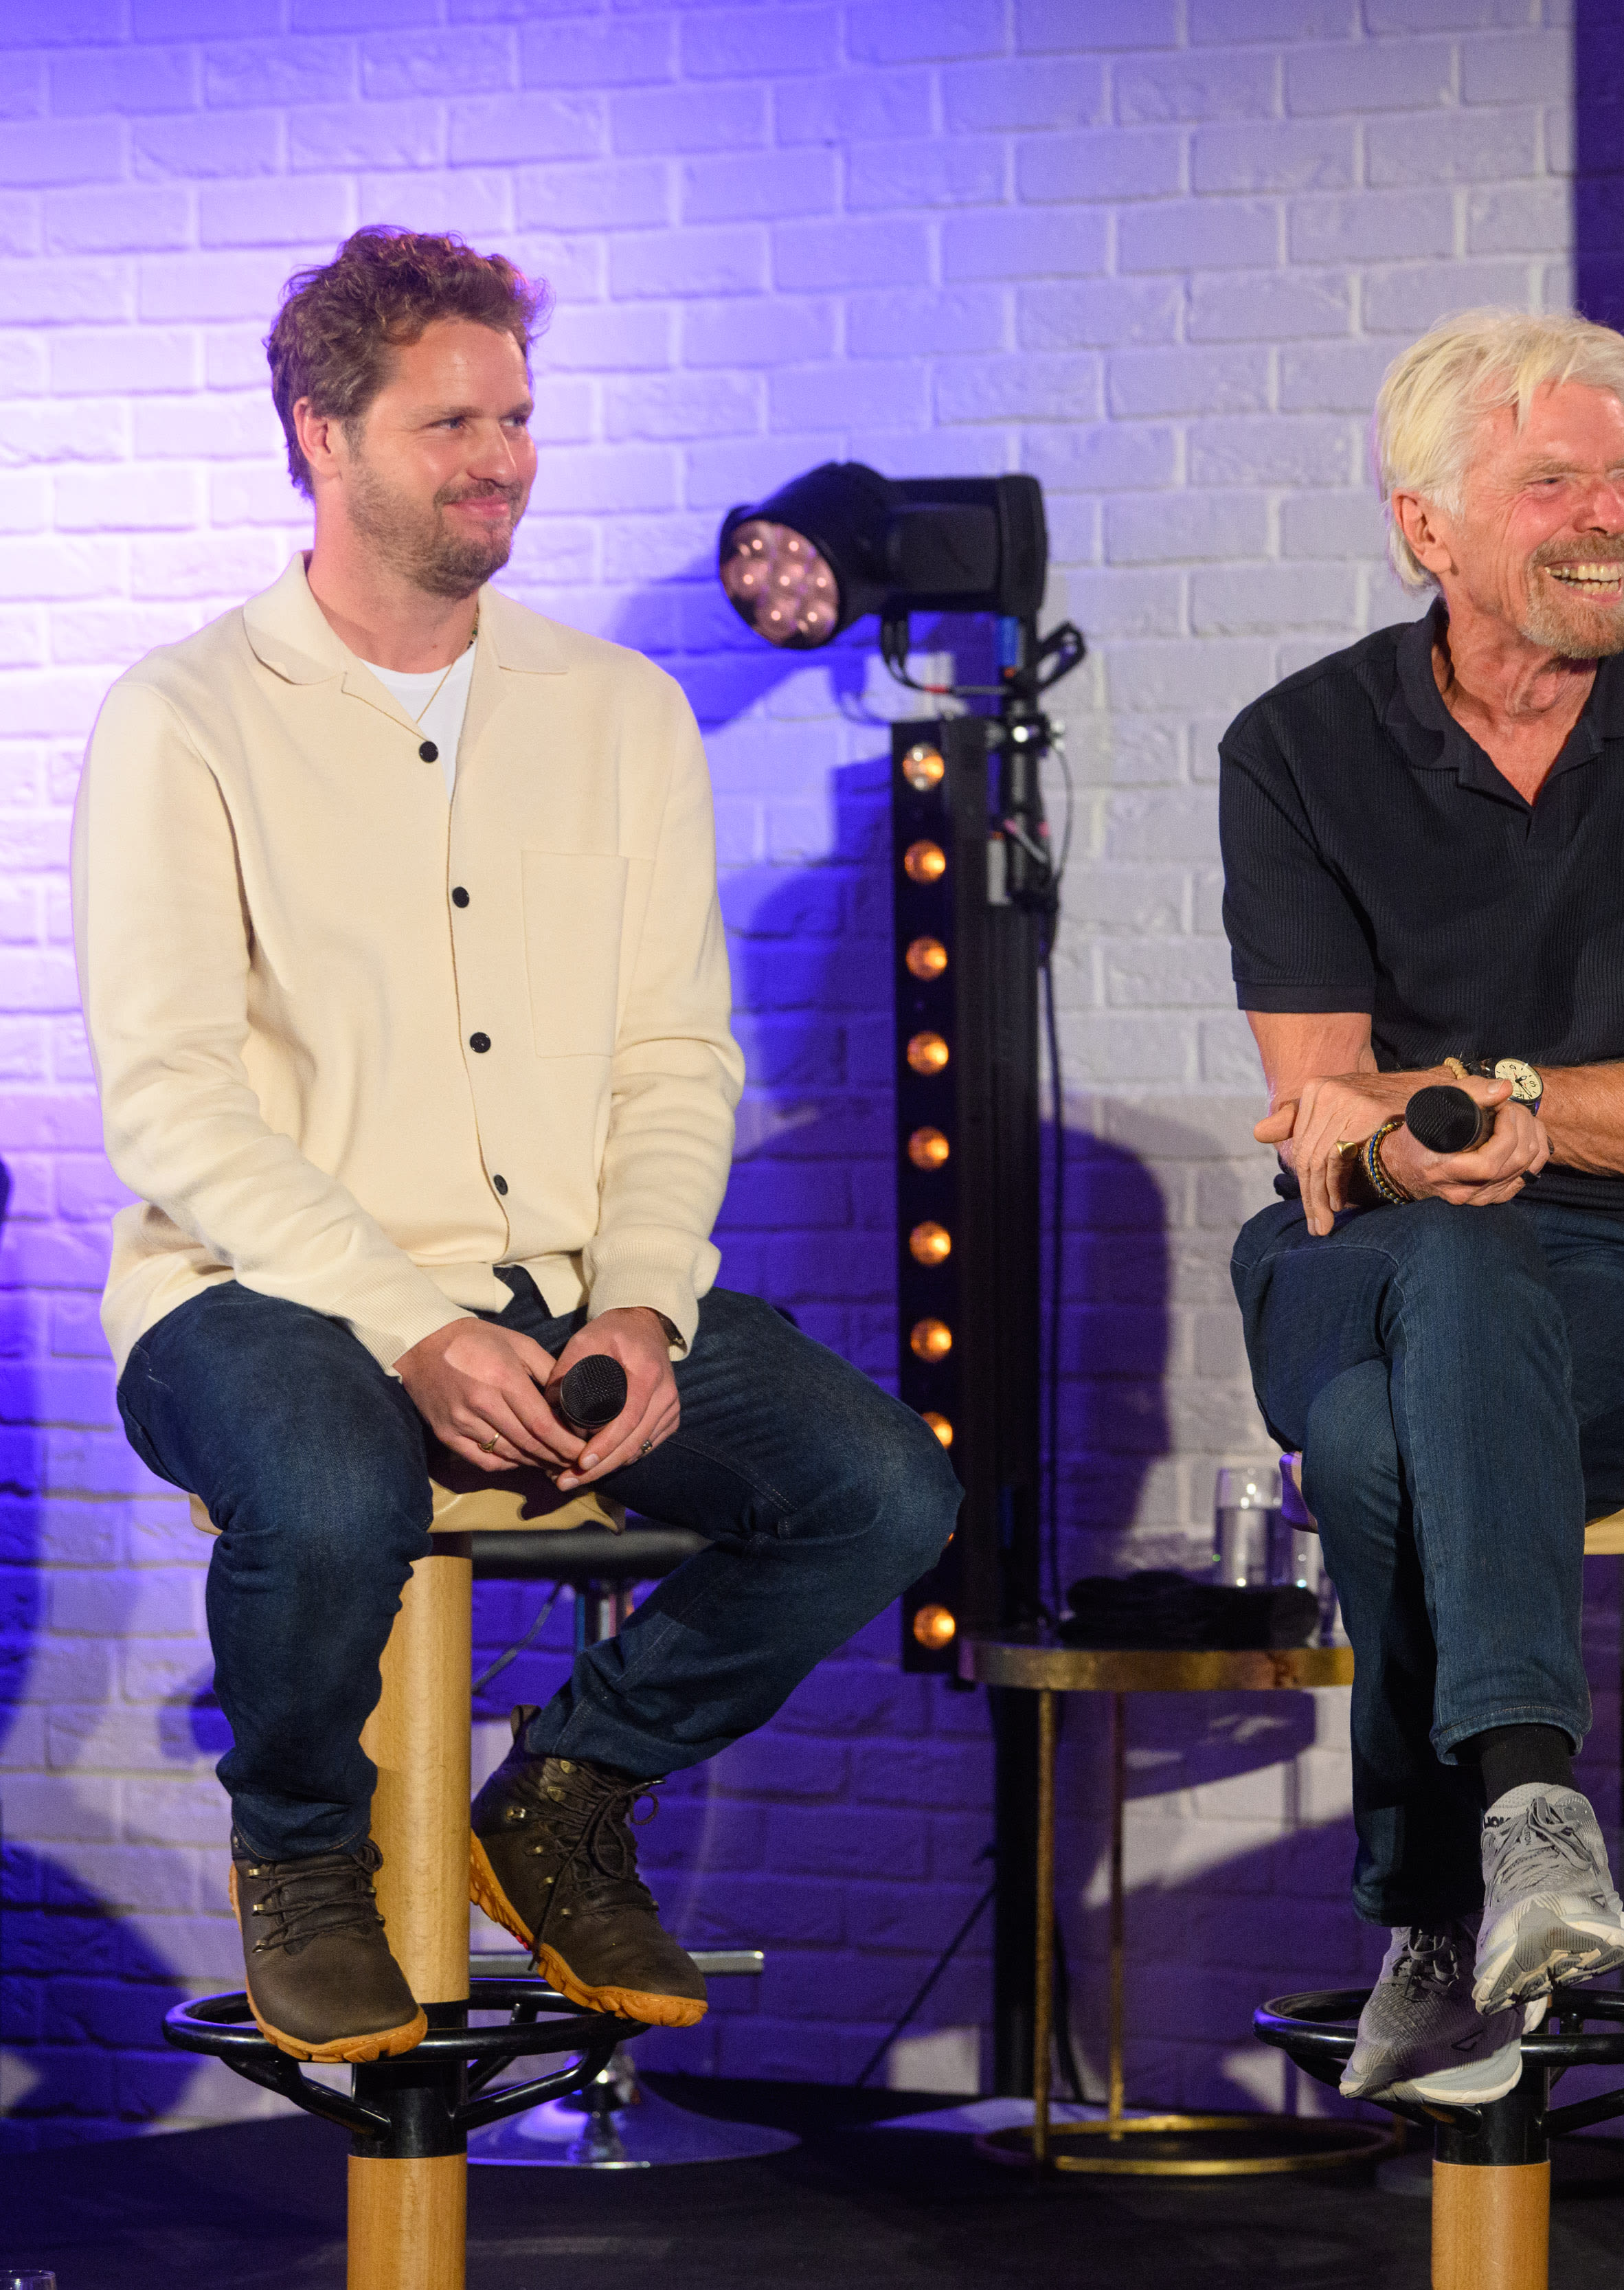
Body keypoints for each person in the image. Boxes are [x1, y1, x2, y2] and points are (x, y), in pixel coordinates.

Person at [76, 227, 958, 2066]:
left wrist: (637, 1309)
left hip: (559, 1286)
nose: (506, 458)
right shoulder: (186, 717)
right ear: (325, 435)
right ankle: (303, 1850)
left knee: (883, 1487)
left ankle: (564, 1796)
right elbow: (170, 1097)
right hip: (262, 1296)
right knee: (332, 1496)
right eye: (453, 421)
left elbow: (672, 1058)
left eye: (523, 418)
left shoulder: (617, 715)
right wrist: (413, 1323)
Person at [1218, 308, 1624, 2104]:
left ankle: (1431, 1900)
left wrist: (1519, 1112)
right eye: (1556, 480)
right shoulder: (1296, 750)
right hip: (1354, 1256)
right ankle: (1541, 1820)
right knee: (1444, 1262)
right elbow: (1323, 1119)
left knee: (1381, 1445)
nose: (1615, 514)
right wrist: (1408, 1139)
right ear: (1431, 530)